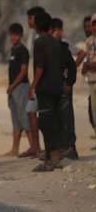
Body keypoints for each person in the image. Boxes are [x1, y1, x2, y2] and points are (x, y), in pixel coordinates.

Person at [29, 12, 65, 172]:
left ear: (36, 26)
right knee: (53, 121)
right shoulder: (56, 42)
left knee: (45, 123)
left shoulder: (39, 42)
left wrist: (33, 86)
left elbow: (39, 67)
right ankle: (53, 158)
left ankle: (50, 161)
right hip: (57, 87)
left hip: (45, 88)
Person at [2, 23, 36, 158]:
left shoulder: (23, 51)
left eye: (15, 35)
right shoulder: (13, 50)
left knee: (24, 117)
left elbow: (23, 72)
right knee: (16, 119)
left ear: (21, 36)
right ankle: (14, 149)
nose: (13, 38)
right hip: (13, 89)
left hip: (21, 87)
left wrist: (12, 86)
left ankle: (34, 147)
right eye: (11, 35)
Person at [52, 17, 79, 160]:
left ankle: (71, 148)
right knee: (56, 119)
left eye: (58, 30)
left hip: (64, 88)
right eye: (54, 31)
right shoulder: (48, 47)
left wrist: (69, 83)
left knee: (67, 118)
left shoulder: (64, 48)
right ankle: (61, 149)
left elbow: (72, 67)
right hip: (53, 90)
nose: (57, 33)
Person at [25, 6, 46, 158]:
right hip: (40, 82)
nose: (28, 21)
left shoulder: (43, 39)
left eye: (30, 18)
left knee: (40, 113)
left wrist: (33, 85)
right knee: (31, 111)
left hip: (43, 83)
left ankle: (40, 147)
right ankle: (35, 146)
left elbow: (41, 66)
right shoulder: (34, 37)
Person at [76, 13, 96, 149]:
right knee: (94, 113)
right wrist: (85, 66)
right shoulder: (88, 42)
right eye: (92, 25)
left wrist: (90, 65)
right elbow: (86, 59)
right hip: (92, 80)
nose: (92, 27)